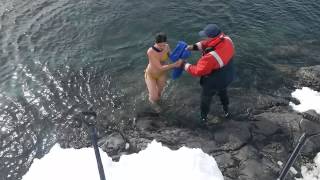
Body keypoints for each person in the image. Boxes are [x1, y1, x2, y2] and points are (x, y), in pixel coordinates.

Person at [183, 24, 236, 125]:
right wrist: (193, 47)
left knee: (206, 98)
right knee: (223, 93)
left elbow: (199, 71)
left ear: (211, 37)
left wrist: (184, 65)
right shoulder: (227, 39)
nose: (204, 37)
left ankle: (203, 118)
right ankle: (226, 111)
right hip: (228, 74)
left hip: (214, 80)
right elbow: (209, 43)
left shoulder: (211, 56)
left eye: (206, 36)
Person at [145, 32, 183, 112]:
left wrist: (180, 58)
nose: (162, 47)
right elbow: (160, 67)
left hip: (161, 75)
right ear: (156, 43)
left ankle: (156, 99)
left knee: (159, 94)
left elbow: (171, 56)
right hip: (151, 75)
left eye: (163, 44)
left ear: (166, 42)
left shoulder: (166, 46)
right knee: (154, 97)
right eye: (159, 45)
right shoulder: (150, 51)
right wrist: (174, 65)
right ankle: (153, 105)